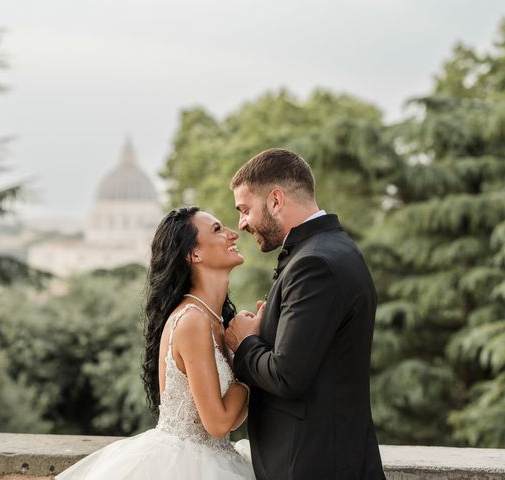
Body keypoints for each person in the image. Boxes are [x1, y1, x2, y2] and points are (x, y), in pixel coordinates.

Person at [56, 206, 255, 480]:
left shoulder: (217, 321)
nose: (233, 234)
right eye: (218, 229)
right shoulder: (191, 321)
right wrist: (248, 350)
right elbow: (219, 423)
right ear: (193, 254)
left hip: (219, 460)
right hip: (182, 467)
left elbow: (233, 418)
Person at [225, 148, 386, 479]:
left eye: (244, 209)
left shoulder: (314, 264)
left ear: (275, 200)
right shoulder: (328, 249)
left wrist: (245, 342)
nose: (241, 224)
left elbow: (287, 376)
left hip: (313, 465)